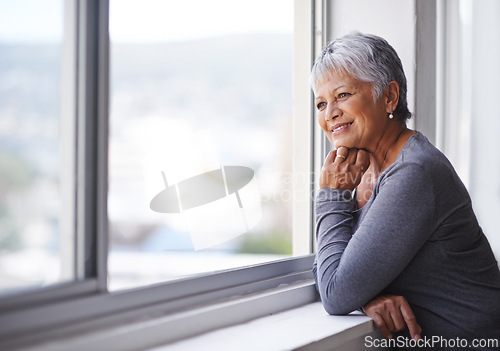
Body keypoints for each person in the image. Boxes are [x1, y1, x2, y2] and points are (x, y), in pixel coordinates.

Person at [311, 32, 500, 348]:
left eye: (342, 95)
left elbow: (335, 292)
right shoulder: (359, 172)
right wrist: (365, 295)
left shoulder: (415, 171)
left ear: (389, 97)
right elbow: (327, 267)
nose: (329, 112)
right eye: (320, 102)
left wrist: (331, 193)